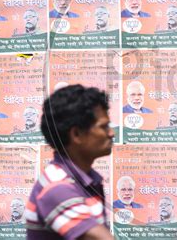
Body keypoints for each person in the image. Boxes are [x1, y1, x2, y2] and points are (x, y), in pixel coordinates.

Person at [26, 85, 114, 240]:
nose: (111, 133)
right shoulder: (57, 187)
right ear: (77, 134)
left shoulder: (86, 180)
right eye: (103, 126)